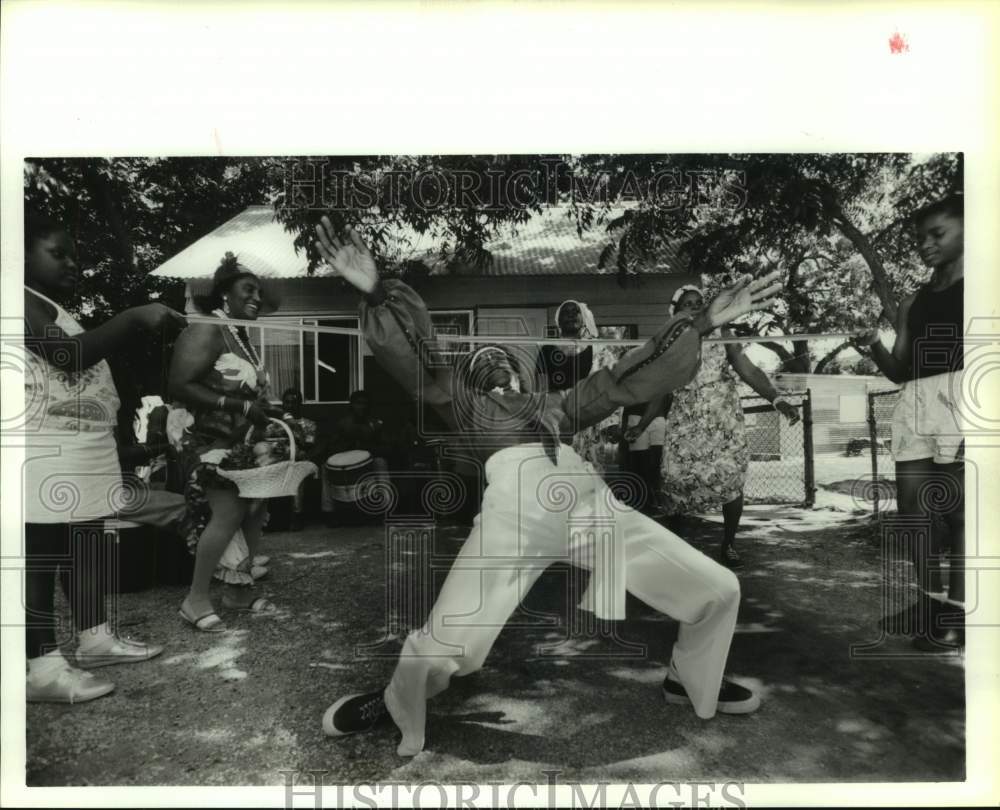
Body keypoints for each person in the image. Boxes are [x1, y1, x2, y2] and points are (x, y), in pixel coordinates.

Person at [312, 221, 781, 757]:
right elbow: (419, 359)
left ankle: (688, 674)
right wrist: (376, 291)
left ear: (523, 374)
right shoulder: (461, 407)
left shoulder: (557, 408)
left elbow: (626, 378)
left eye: (503, 359)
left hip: (591, 510)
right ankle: (396, 700)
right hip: (513, 519)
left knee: (719, 589)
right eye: (480, 361)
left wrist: (702, 323)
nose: (495, 363)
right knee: (438, 644)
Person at [23, 211, 188, 703]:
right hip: (47, 444)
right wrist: (135, 316)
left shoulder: (49, 304)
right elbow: (68, 357)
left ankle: (94, 639)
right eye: (59, 253)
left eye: (75, 253)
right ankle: (42, 666)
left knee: (88, 543)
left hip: (82, 444)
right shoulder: (15, 298)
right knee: (43, 553)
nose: (73, 263)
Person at [853, 194, 965, 651]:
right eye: (920, 238)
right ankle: (928, 604)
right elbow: (900, 370)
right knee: (915, 514)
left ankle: (956, 616)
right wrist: (873, 345)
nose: (925, 245)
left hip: (965, 399)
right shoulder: (913, 300)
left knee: (959, 514)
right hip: (916, 403)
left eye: (937, 234)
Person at [647, 285, 800, 569]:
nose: (694, 307)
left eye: (698, 303)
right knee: (674, 478)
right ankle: (676, 548)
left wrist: (778, 400)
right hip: (686, 419)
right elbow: (659, 388)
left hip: (722, 419)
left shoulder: (723, 333)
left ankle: (729, 543)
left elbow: (749, 370)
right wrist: (642, 423)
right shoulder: (670, 339)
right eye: (687, 304)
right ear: (676, 310)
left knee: (730, 478)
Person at [168, 252, 282, 632]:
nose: (257, 297)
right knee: (229, 513)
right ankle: (195, 598)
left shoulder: (240, 335)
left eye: (259, 292)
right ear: (224, 295)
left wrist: (263, 414)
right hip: (206, 442)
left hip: (242, 444)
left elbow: (245, 395)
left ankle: (238, 591)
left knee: (253, 512)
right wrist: (240, 406)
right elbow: (179, 385)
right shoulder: (206, 329)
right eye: (248, 289)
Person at [537, 299, 626, 473]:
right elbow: (540, 388)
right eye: (565, 312)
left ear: (583, 317)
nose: (570, 315)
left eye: (575, 311)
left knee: (589, 475)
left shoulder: (598, 350)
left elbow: (611, 387)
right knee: (557, 476)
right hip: (557, 421)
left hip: (589, 422)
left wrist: (613, 422)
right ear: (558, 320)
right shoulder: (547, 350)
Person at [321, 389, 390, 524]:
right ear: (351, 405)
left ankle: (384, 510)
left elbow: (387, 447)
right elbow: (332, 447)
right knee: (325, 467)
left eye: (365, 404)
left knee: (381, 463)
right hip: (345, 462)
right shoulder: (343, 423)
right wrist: (347, 445)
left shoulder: (375, 424)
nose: (362, 407)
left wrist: (368, 448)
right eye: (358, 403)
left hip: (368, 461)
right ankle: (329, 512)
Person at [279, 387, 326, 531]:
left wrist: (295, 427)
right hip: (278, 459)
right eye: (286, 403)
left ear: (300, 405)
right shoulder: (276, 423)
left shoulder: (309, 424)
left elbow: (308, 445)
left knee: (297, 470)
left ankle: (297, 515)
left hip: (299, 460)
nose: (289, 406)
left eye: (294, 403)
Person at [620, 399, 668, 516]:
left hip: (660, 417)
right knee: (640, 461)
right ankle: (645, 501)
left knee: (657, 460)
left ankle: (656, 497)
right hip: (636, 415)